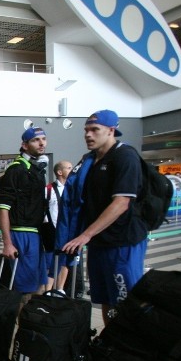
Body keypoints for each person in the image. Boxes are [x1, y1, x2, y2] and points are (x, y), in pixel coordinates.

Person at [62, 109, 148, 326]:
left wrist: (85, 235)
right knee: (105, 299)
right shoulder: (91, 161)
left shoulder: (125, 156)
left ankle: (130, 348)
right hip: (99, 243)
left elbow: (121, 202)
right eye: (86, 130)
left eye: (94, 130)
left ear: (111, 131)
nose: (88, 135)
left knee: (125, 300)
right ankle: (111, 343)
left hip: (122, 242)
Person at [0, 127, 48, 297]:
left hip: (36, 233)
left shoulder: (37, 170)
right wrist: (7, 243)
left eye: (43, 139)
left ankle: (33, 321)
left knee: (40, 284)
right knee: (24, 289)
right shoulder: (16, 169)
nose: (41, 143)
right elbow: (3, 208)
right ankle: (23, 322)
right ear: (24, 145)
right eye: (35, 140)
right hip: (21, 234)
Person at [43, 160, 73, 292]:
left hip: (68, 231)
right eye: (69, 168)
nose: (72, 171)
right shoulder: (48, 190)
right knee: (50, 263)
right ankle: (48, 291)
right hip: (52, 231)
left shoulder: (72, 188)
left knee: (66, 261)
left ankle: (60, 289)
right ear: (60, 172)